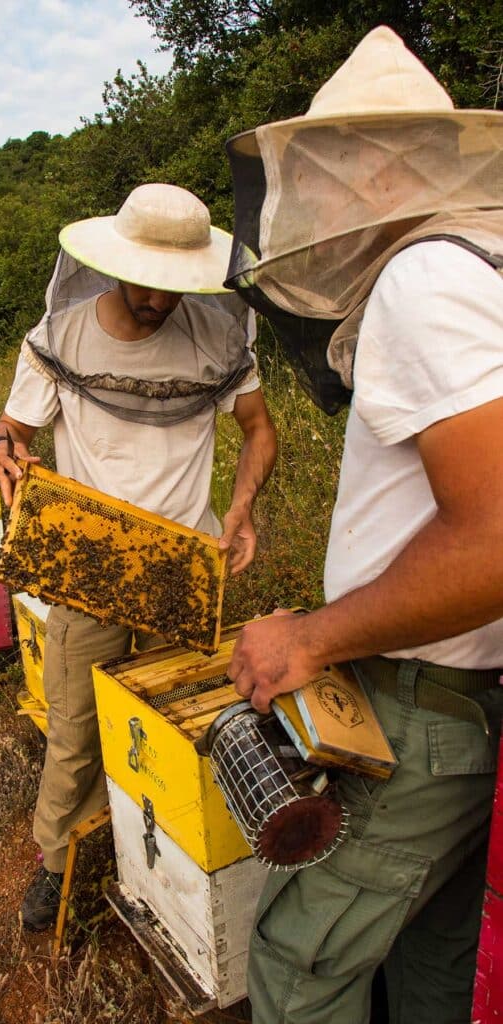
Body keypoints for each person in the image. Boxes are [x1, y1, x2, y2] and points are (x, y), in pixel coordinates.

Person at [223, 26, 503, 1024]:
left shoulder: (424, 278)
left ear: (381, 162)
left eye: (332, 164)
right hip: (460, 705)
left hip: (421, 711)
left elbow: (493, 536)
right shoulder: (478, 265)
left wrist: (311, 634)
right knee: (432, 962)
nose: (320, 191)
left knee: (301, 972)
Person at [0, 182, 278, 931]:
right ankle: (60, 862)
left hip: (184, 568)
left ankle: (170, 868)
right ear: (112, 264)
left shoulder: (217, 337)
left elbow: (258, 430)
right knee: (76, 729)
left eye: (174, 287)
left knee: (181, 728)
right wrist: (1, 453)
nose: (158, 301)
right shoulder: (61, 336)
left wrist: (240, 508)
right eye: (146, 284)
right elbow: (12, 429)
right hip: (87, 570)